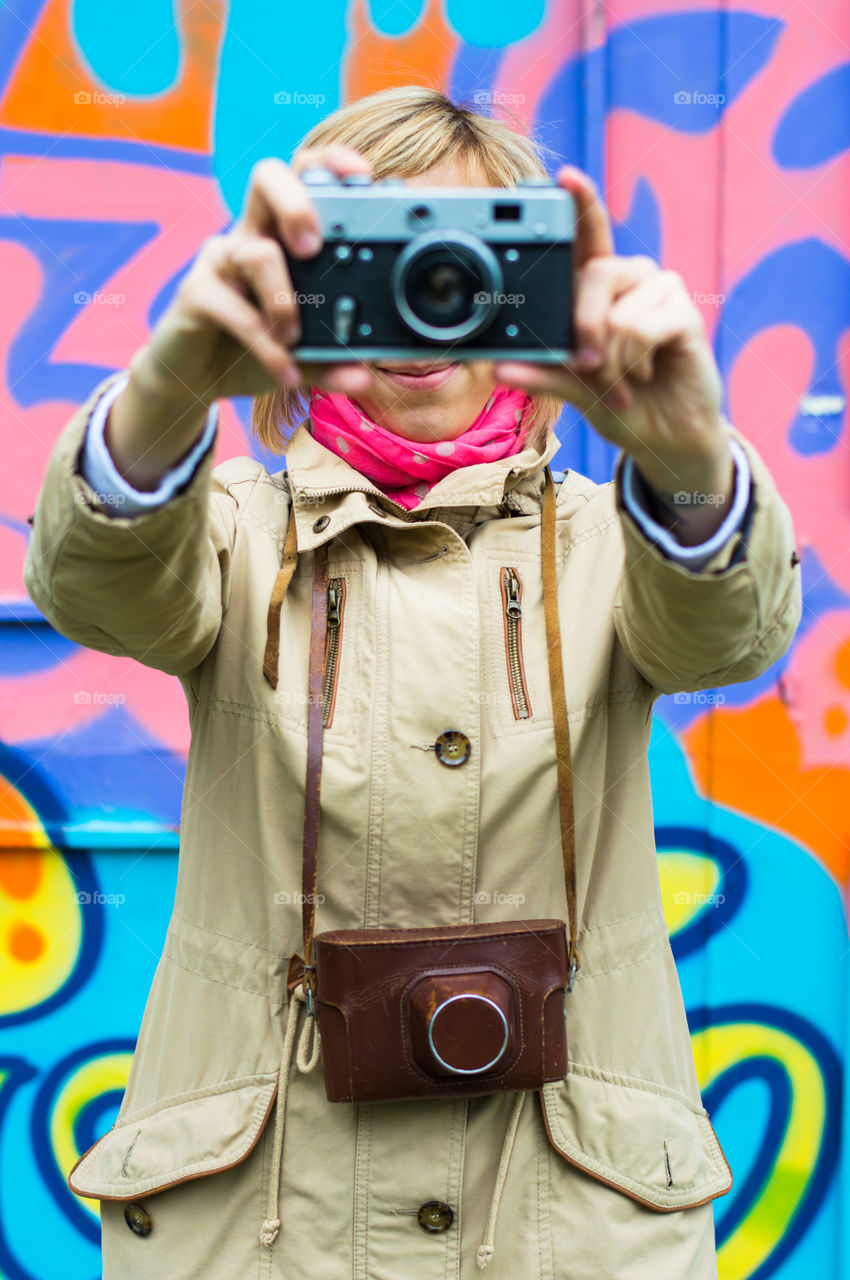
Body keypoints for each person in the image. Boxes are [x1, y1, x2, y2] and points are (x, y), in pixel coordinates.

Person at [24, 85, 801, 1279]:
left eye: (471, 260)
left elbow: (725, 633)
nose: (425, 300)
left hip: (570, 1229)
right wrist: (171, 387)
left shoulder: (613, 537)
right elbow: (101, 584)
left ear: (536, 291)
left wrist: (689, 458)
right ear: (292, 290)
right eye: (376, 259)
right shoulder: (226, 528)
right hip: (268, 1232)